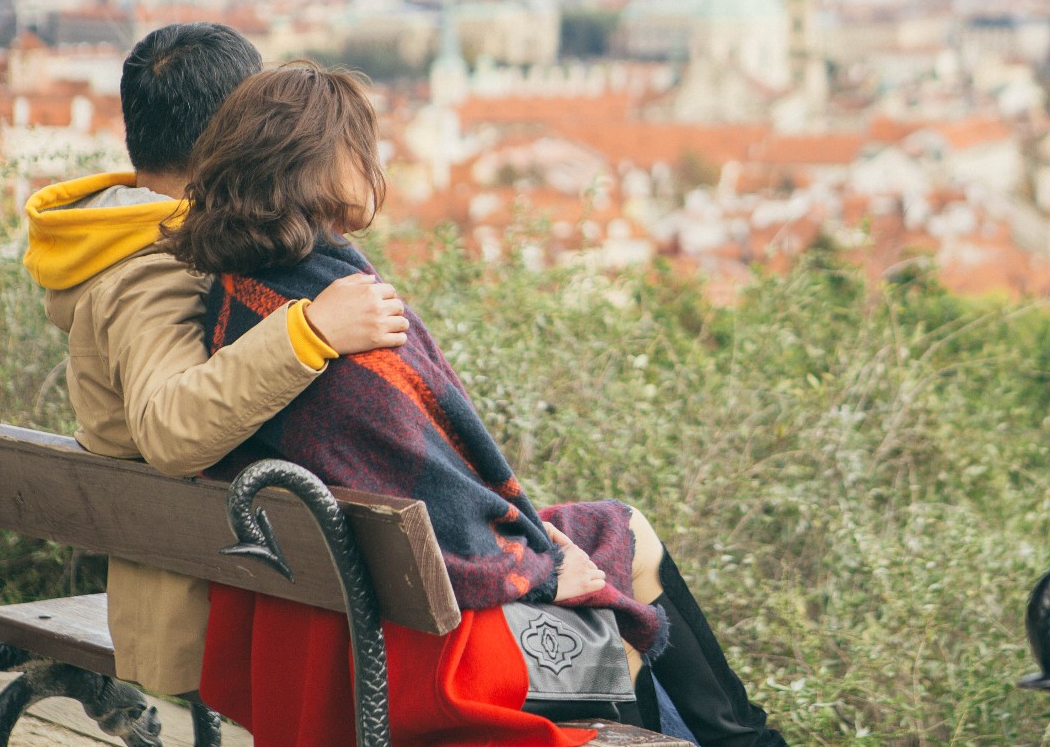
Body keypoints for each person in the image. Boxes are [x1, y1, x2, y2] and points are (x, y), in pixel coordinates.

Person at [166, 63, 786, 747]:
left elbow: (417, 492)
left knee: (617, 532)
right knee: (622, 572)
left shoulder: (238, 298)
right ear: (310, 164)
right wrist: (546, 569)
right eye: (357, 146)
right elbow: (431, 502)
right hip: (417, 653)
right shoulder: (347, 325)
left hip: (322, 630)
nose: (373, 161)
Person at [22, 23, 412, 697]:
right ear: (237, 133)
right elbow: (169, 427)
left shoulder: (127, 239)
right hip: (224, 597)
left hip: (225, 566)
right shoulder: (153, 271)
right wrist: (309, 330)